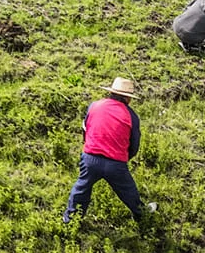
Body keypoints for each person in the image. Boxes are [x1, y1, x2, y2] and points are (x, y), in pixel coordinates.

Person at [62, 78, 156, 223]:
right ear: (127, 98)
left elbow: (85, 129)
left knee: (81, 187)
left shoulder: (94, 106)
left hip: (90, 158)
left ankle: (70, 220)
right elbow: (134, 144)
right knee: (129, 191)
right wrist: (124, 159)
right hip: (116, 163)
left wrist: (87, 147)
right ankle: (141, 215)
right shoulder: (131, 116)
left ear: (111, 92)